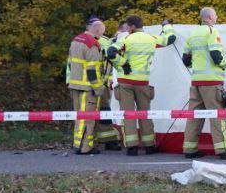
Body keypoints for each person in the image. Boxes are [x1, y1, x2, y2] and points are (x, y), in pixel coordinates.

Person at [107, 16, 176, 156]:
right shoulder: (151, 38)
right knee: (145, 114)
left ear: (132, 27)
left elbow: (110, 52)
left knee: (128, 115)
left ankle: (132, 147)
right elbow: (170, 39)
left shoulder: (125, 39)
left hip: (125, 82)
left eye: (127, 27)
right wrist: (166, 25)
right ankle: (149, 145)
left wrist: (123, 63)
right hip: (143, 82)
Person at [182, 7, 226, 159]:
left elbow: (186, 59)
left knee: (194, 116)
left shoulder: (192, 34)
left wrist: (195, 67)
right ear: (209, 17)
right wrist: (223, 64)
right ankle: (224, 151)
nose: (216, 17)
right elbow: (216, 54)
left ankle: (189, 150)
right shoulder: (211, 31)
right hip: (212, 82)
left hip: (196, 82)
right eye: (215, 15)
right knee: (218, 115)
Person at [66, 16, 107, 155]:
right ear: (96, 30)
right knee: (88, 118)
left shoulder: (76, 40)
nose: (101, 36)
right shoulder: (92, 44)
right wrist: (98, 87)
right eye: (101, 32)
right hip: (87, 88)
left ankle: (77, 144)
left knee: (79, 117)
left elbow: (71, 63)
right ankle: (85, 147)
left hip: (75, 85)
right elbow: (92, 70)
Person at [93, 21, 131, 151]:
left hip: (104, 83)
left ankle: (107, 140)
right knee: (94, 111)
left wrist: (110, 80)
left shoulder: (110, 42)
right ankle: (90, 141)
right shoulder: (108, 42)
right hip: (93, 82)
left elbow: (109, 65)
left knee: (104, 111)